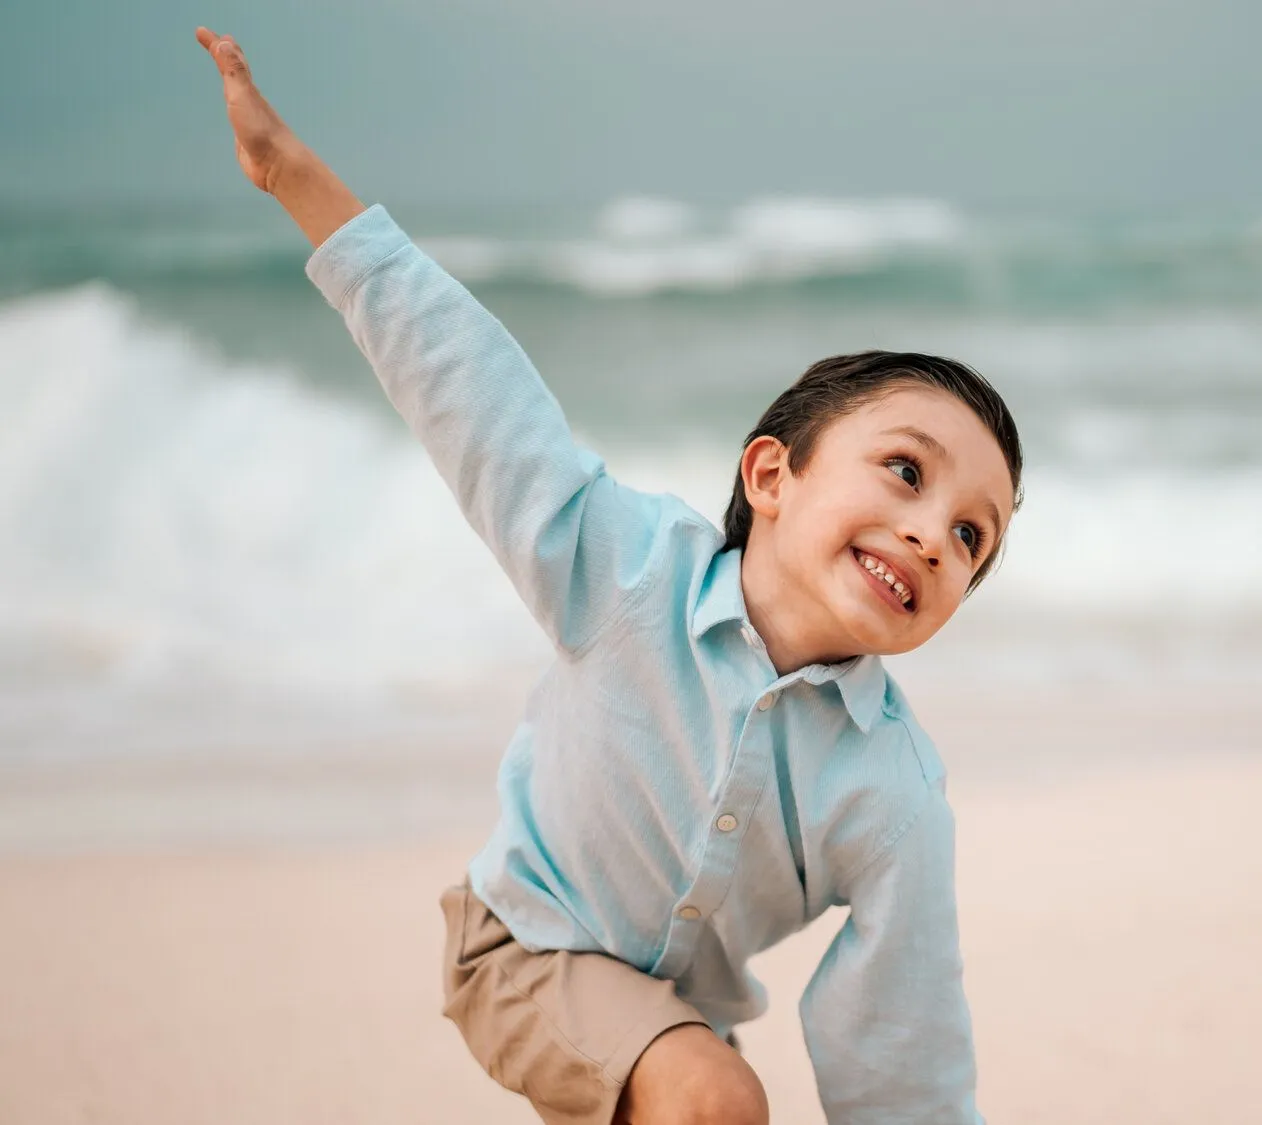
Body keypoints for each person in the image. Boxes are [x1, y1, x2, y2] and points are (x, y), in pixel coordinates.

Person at [192, 27, 1019, 1125]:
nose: (930, 535)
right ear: (772, 474)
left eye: (972, 538)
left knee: (703, 1086)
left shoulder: (895, 792)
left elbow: (902, 1036)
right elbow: (476, 398)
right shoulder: (630, 574)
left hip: (674, 1019)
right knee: (716, 1099)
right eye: (905, 472)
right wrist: (297, 180)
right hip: (519, 945)